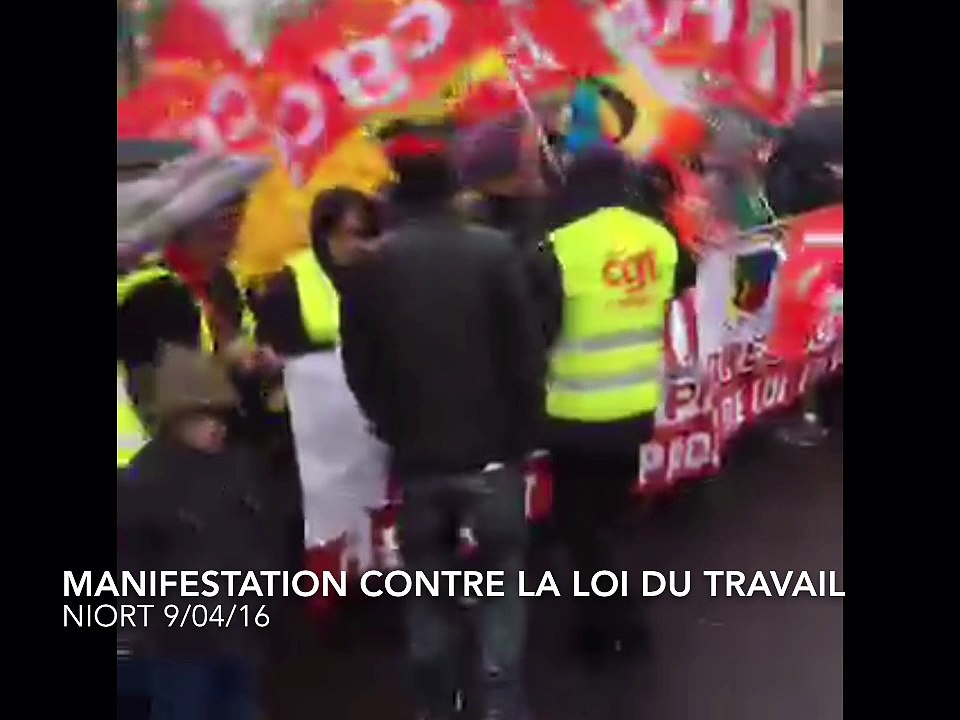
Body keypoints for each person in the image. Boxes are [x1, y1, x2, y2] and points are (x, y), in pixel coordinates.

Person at [341, 129, 545, 720]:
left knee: (427, 586)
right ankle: (501, 703)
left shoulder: (372, 266)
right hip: (491, 454)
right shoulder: (492, 252)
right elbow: (525, 355)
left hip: (419, 458)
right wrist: (521, 433)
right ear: (454, 188)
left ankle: (435, 701)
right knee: (502, 585)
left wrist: (389, 424)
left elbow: (361, 365)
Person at [542, 145, 696, 660]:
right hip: (634, 405)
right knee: (613, 517)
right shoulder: (656, 236)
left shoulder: (560, 245)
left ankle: (608, 623)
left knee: (581, 525)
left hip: (572, 411)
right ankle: (621, 619)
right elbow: (685, 276)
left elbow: (537, 325)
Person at [117, 345, 281, 720]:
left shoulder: (240, 466)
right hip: (182, 648)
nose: (217, 425)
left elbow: (264, 538)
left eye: (220, 415)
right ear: (175, 419)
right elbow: (133, 569)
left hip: (241, 635)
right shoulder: (144, 482)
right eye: (203, 415)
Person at [252, 187, 387, 573]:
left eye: (367, 233)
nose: (359, 244)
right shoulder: (290, 283)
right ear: (324, 234)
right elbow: (273, 348)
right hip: (319, 438)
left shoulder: (382, 273)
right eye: (352, 233)